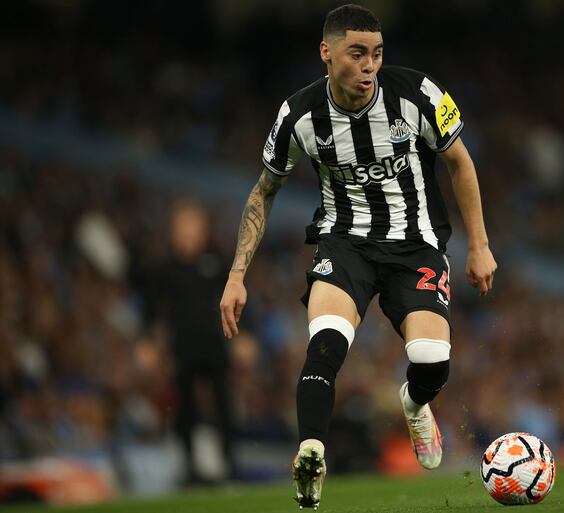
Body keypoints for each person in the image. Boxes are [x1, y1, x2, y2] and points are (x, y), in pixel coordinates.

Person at [219, 4, 496, 509]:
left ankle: (414, 404)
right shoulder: (299, 116)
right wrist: (237, 275)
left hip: (417, 246)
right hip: (344, 243)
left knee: (431, 361)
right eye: (357, 53)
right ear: (327, 53)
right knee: (326, 342)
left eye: (377, 53)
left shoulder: (417, 94)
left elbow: (460, 161)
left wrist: (478, 244)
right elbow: (264, 191)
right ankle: (311, 452)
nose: (370, 65)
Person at [152, 200, 235, 484]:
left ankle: (229, 464)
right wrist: (149, 342)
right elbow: (152, 311)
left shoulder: (216, 263)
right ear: (173, 232)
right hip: (182, 348)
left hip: (214, 345)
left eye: (193, 228)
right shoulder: (165, 270)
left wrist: (245, 334)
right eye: (183, 228)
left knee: (224, 404)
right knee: (183, 407)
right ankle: (188, 467)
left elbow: (237, 299)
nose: (188, 234)